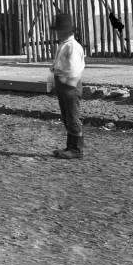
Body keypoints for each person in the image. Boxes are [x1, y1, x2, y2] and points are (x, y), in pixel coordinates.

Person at [47, 12, 86, 159]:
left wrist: (62, 76)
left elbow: (74, 69)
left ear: (64, 31)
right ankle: (70, 146)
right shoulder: (65, 45)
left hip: (70, 86)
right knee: (67, 117)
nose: (57, 34)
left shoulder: (72, 47)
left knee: (72, 116)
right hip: (64, 86)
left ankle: (76, 149)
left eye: (58, 31)